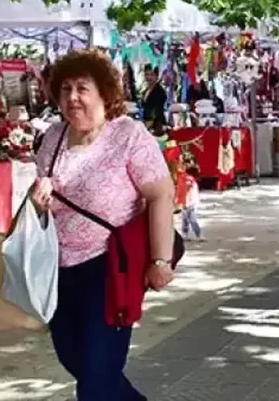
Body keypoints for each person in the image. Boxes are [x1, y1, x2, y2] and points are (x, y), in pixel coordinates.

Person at [28, 50, 174, 401]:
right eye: (64, 89)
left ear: (105, 93)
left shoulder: (128, 135)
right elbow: (44, 197)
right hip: (58, 270)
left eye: (82, 88)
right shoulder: (53, 137)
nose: (72, 97)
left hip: (110, 269)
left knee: (96, 379)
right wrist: (39, 198)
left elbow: (161, 194)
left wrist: (160, 261)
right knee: (77, 361)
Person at [179, 166, 204, 242]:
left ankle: (185, 234)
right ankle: (198, 235)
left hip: (185, 203)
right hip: (190, 203)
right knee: (192, 220)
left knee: (185, 220)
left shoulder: (182, 179)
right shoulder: (189, 181)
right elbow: (188, 193)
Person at [140, 66, 167, 133]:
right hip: (146, 123)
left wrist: (150, 123)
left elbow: (158, 110)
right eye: (146, 74)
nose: (149, 77)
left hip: (157, 125)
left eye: (151, 75)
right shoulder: (145, 90)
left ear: (157, 76)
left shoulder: (160, 91)